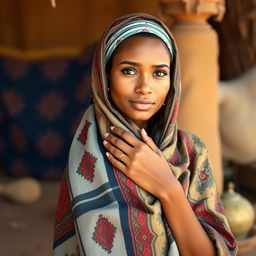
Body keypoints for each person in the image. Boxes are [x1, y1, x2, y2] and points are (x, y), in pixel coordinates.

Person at [53, 13, 237, 256]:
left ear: (173, 81)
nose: (144, 87)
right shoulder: (88, 156)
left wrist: (168, 187)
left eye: (159, 73)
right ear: (105, 76)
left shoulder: (191, 151)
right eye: (129, 70)